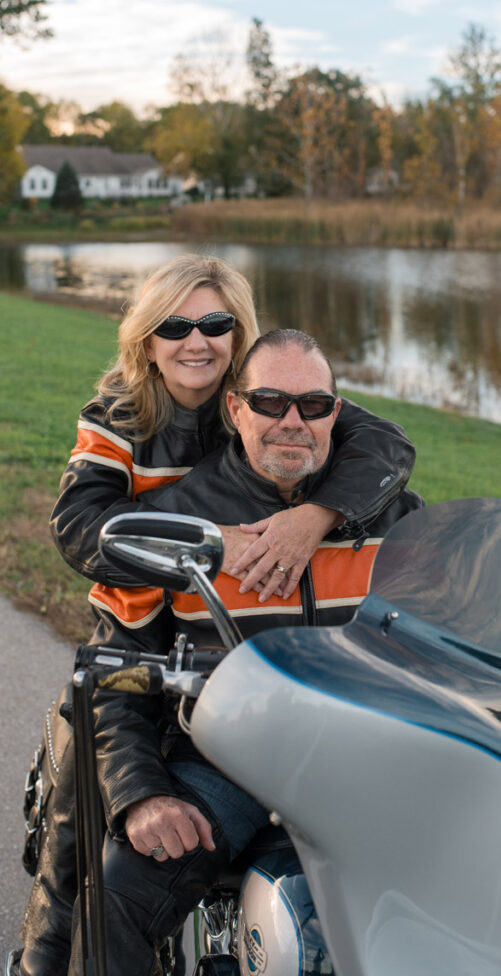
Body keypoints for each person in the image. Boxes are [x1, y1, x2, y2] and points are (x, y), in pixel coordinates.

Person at [15, 255, 416, 976]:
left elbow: (386, 443)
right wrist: (204, 544)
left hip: (350, 752)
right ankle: (42, 960)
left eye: (214, 324)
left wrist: (313, 516)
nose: (195, 340)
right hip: (196, 696)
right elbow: (79, 528)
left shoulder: (361, 486)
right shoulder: (122, 422)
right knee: (90, 819)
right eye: (175, 324)